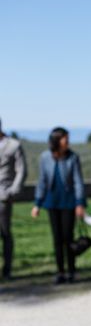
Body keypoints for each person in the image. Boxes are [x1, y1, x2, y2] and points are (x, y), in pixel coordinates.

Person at [32, 127, 86, 284]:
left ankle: (71, 271)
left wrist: (80, 203)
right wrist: (37, 203)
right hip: (52, 202)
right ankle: (60, 271)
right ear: (57, 141)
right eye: (65, 139)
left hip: (69, 203)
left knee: (68, 238)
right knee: (57, 239)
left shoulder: (73, 158)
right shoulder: (45, 158)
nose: (68, 142)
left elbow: (78, 182)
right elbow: (42, 181)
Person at [0, 117, 27, 281]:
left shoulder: (14, 145)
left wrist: (12, 191)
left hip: (3, 196)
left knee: (5, 233)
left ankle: (7, 269)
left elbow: (21, 170)